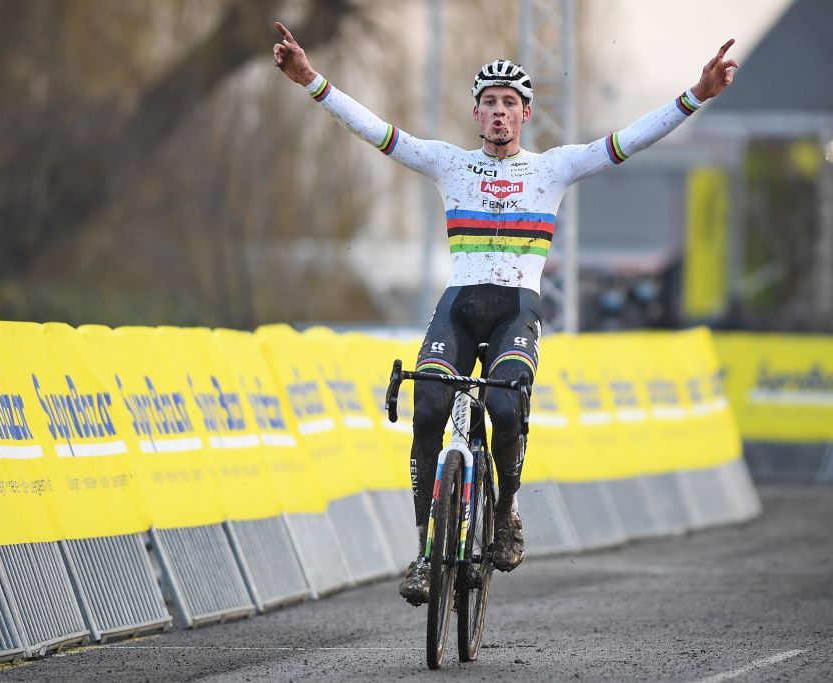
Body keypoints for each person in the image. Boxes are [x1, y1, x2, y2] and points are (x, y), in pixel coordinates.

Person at [273, 22, 738, 606]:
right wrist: (311, 81)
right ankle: (424, 551)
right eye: (489, 103)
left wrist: (697, 94)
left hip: (517, 307)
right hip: (459, 307)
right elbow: (377, 132)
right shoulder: (448, 163)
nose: (499, 112)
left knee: (501, 405)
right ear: (476, 114)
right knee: (428, 407)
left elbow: (629, 140)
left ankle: (508, 511)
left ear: (525, 115)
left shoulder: (553, 168)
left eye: (509, 104)